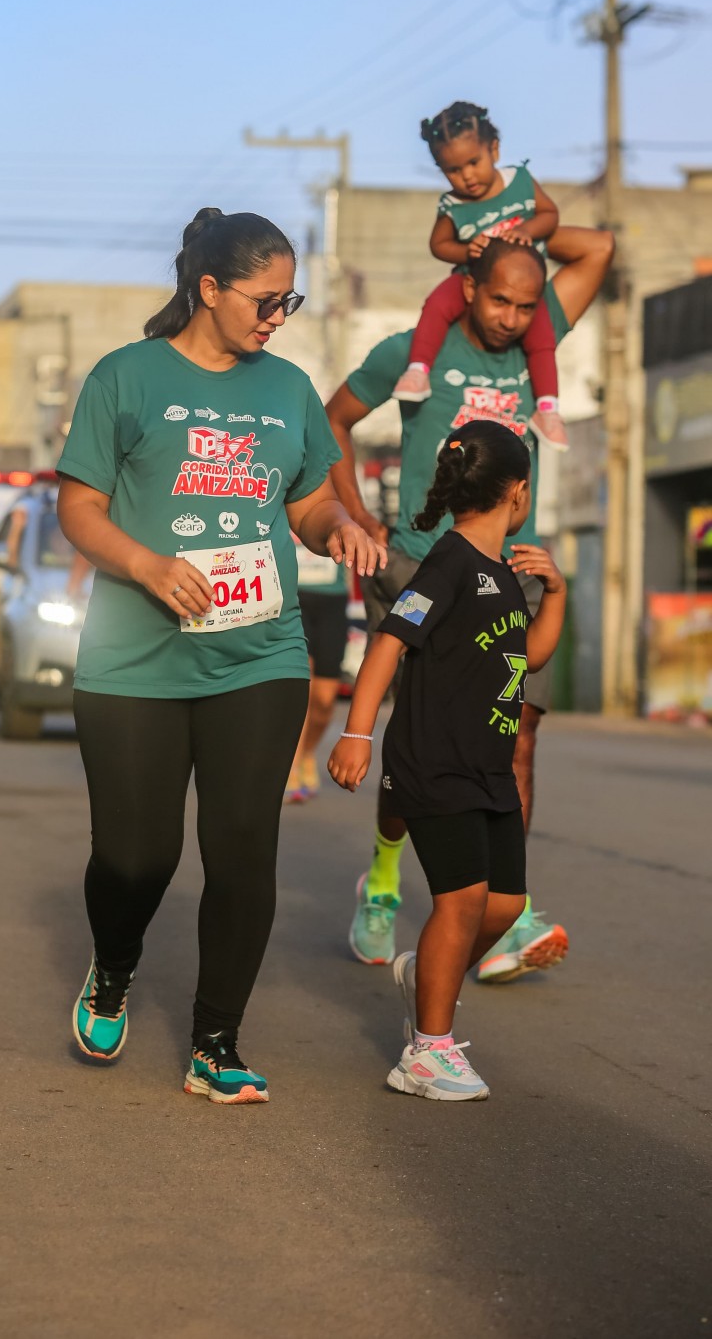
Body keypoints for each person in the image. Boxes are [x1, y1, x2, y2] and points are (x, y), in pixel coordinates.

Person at [56, 208, 385, 1105]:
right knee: (137, 859)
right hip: (134, 658)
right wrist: (147, 565)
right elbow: (79, 507)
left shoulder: (288, 389)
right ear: (209, 288)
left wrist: (338, 529)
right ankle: (113, 969)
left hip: (258, 655)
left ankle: (216, 1042)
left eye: (289, 301)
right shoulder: (126, 377)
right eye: (265, 300)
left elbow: (307, 501)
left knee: (242, 852)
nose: (278, 317)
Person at [326, 224, 613, 977]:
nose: (512, 318)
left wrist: (524, 224)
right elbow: (335, 420)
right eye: (499, 301)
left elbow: (598, 250)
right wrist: (356, 515)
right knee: (419, 745)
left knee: (518, 738)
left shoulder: (536, 343)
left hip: (515, 571)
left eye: (526, 306)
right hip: (421, 562)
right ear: (468, 288)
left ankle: (499, 906)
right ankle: (384, 876)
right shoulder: (414, 351)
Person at [328, 421, 566, 1101]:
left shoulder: (500, 572)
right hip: (435, 760)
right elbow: (388, 642)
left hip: (489, 767)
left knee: (504, 905)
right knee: (459, 903)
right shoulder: (451, 562)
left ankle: (424, 975)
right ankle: (425, 1054)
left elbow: (530, 657)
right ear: (519, 492)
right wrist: (357, 734)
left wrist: (557, 592)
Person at [393, 102, 569, 453]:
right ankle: (418, 370)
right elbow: (439, 245)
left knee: (542, 339)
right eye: (453, 170)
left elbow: (550, 214)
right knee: (436, 305)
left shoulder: (519, 181)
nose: (467, 176)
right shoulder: (452, 205)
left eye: (474, 162)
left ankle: (548, 409)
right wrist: (466, 251)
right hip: (471, 279)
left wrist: (527, 229)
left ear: (494, 150)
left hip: (520, 286)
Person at [284, 539, 352, 803]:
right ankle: (291, 767)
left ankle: (307, 753)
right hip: (293, 594)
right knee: (302, 686)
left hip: (331, 600)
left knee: (324, 699)